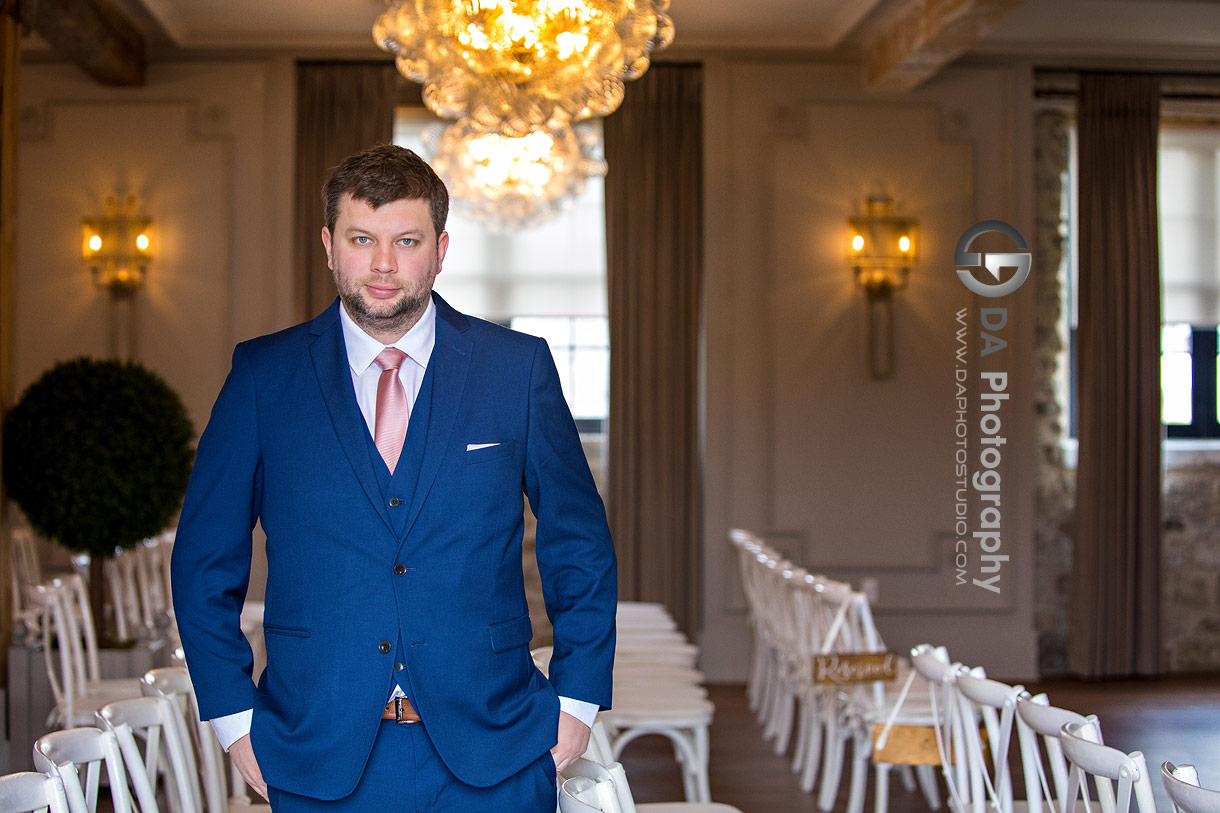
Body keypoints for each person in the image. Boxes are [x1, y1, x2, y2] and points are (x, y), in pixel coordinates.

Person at [171, 144, 617, 811]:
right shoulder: (264, 377)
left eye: (406, 240)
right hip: (315, 751)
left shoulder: (515, 369)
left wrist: (577, 697)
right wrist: (235, 719)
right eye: (362, 239)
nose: (383, 264)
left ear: (440, 248)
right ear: (329, 245)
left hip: (497, 750)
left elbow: (578, 540)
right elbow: (205, 561)